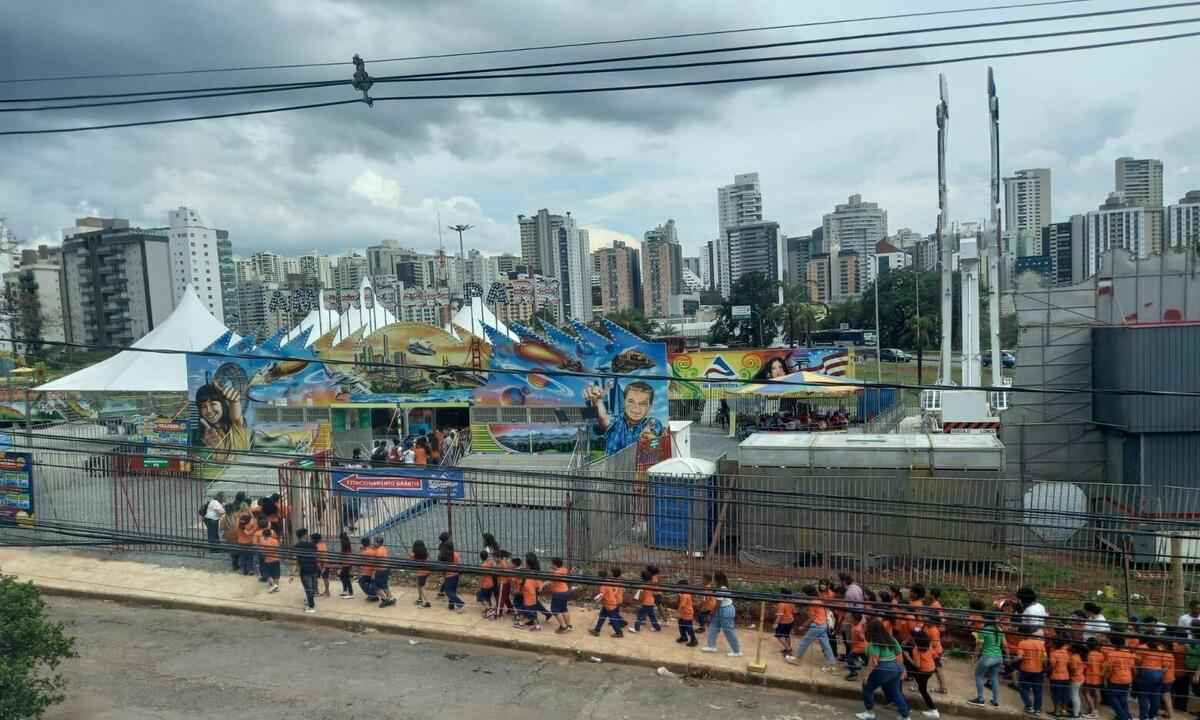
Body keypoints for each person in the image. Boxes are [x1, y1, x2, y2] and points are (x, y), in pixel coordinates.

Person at [584, 380, 662, 454]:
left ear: (649, 408)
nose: (636, 407)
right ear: (624, 402)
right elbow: (603, 418)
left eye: (642, 404)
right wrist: (597, 401)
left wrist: (652, 440)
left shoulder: (653, 422)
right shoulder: (615, 421)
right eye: (631, 401)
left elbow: (655, 441)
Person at [855, 619, 911, 720]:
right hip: (895, 668)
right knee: (895, 692)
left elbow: (873, 662)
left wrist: (866, 675)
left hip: (883, 669)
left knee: (867, 687)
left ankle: (869, 713)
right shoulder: (891, 638)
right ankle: (905, 716)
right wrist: (902, 669)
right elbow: (899, 654)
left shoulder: (874, 643)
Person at [195, 381, 251, 464]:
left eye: (213, 404)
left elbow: (236, 418)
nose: (209, 411)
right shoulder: (204, 434)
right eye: (203, 406)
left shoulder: (235, 428)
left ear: (222, 404)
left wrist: (234, 401)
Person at [967, 599, 1005, 709]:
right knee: (994, 678)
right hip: (998, 657)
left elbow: (979, 646)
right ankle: (995, 701)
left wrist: (974, 657)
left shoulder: (984, 631)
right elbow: (1003, 644)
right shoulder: (999, 629)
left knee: (979, 676)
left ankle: (980, 699)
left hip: (987, 657)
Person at [790, 584, 837, 670]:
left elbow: (812, 617)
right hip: (824, 625)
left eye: (804, 593)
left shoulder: (813, 602)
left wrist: (803, 626)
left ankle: (797, 659)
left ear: (807, 594)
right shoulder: (819, 600)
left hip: (817, 625)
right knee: (826, 645)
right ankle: (832, 664)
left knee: (804, 642)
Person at [700, 571, 741, 657]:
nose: (712, 579)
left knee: (728, 631)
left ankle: (736, 651)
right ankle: (711, 646)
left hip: (725, 610)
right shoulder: (720, 587)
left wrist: (711, 613)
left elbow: (718, 604)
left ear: (717, 579)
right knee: (713, 627)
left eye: (714, 578)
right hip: (721, 609)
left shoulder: (721, 589)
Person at [904, 628, 940, 719]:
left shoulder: (916, 650)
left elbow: (917, 665)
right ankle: (916, 684)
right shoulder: (928, 646)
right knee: (921, 684)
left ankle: (934, 710)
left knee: (923, 691)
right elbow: (935, 655)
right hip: (931, 669)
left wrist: (907, 657)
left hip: (924, 671)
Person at [1104, 629, 1135, 720]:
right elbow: (1132, 667)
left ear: (1113, 643)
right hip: (1127, 678)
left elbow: (1109, 669)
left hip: (1116, 679)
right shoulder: (1128, 653)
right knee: (1123, 698)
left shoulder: (1112, 654)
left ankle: (1123, 716)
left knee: (1113, 698)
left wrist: (1106, 678)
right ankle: (1127, 715)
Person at [1017, 624, 1048, 714]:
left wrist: (1010, 661)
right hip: (1039, 670)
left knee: (1023, 688)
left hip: (1025, 669)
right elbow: (1045, 658)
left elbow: (1019, 657)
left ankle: (1029, 706)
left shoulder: (1022, 643)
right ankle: (1037, 709)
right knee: (1037, 690)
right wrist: (1045, 668)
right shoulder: (1042, 643)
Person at [1134, 638, 1168, 720]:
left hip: (1147, 672)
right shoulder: (1161, 649)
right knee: (1155, 696)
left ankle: (1144, 717)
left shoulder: (1142, 647)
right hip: (1159, 673)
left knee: (1143, 696)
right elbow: (1165, 665)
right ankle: (1152, 716)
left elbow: (1137, 661)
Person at [589, 567, 625, 638]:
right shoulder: (609, 581)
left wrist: (594, 601)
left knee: (612, 619)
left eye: (598, 576)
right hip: (609, 602)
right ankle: (597, 630)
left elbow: (601, 595)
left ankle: (619, 632)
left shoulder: (604, 585)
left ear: (600, 577)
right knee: (602, 616)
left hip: (609, 604)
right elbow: (614, 591)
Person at [291, 528, 320, 614]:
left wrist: (292, 574)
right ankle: (309, 602)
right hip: (314, 569)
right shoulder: (313, 545)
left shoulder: (296, 546)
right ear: (304, 535)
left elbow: (295, 561)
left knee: (308, 588)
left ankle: (311, 607)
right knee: (311, 588)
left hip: (304, 570)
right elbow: (316, 557)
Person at [518, 553, 549, 631]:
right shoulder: (533, 570)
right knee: (532, 609)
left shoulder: (532, 573)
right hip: (529, 594)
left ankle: (524, 623)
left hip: (530, 594)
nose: (524, 562)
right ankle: (536, 624)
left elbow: (540, 585)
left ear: (529, 563)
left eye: (526, 561)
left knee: (531, 610)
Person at [1048, 637, 1073, 719]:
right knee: (1065, 694)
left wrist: (1045, 670)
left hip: (1056, 676)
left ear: (1055, 644)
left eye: (1052, 643)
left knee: (1055, 694)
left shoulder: (1054, 653)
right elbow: (1070, 665)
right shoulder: (1067, 653)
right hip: (1066, 676)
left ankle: (1056, 711)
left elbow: (1052, 666)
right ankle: (1064, 711)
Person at [548, 557, 572, 633]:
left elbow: (551, 583)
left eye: (552, 563)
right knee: (563, 609)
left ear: (555, 565)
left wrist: (551, 573)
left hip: (558, 593)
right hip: (565, 591)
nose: (551, 565)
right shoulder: (564, 569)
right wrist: (554, 570)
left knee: (554, 610)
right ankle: (569, 626)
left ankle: (563, 627)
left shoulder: (556, 573)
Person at [1084, 637, 1105, 719]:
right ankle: (1095, 710)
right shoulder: (1101, 654)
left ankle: (1093, 711)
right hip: (1098, 676)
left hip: (1090, 676)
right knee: (1096, 693)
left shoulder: (1089, 655)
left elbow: (1088, 666)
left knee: (1086, 693)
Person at [371, 537, 395, 608]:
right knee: (384, 585)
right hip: (386, 569)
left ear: (378, 543)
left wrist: (373, 573)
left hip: (381, 570)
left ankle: (385, 599)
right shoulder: (383, 548)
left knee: (375, 586)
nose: (373, 543)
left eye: (375, 542)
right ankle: (390, 597)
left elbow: (376, 563)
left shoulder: (378, 552)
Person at [440, 541, 464, 611]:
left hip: (449, 576)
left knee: (448, 591)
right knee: (453, 591)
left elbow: (443, 567)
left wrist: (443, 575)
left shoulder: (445, 555)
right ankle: (451, 605)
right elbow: (459, 564)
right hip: (456, 575)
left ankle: (460, 603)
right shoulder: (456, 554)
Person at [774, 588, 796, 659]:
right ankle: (788, 648)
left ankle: (788, 649)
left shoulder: (781, 603)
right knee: (787, 635)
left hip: (783, 622)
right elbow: (794, 612)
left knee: (778, 635)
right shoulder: (791, 602)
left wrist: (775, 623)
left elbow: (779, 616)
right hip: (790, 621)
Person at [675, 579, 698, 647]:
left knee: (688, 627)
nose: (678, 589)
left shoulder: (685, 595)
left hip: (687, 613)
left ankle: (694, 640)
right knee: (681, 625)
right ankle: (684, 637)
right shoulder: (684, 594)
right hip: (684, 613)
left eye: (679, 587)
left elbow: (682, 605)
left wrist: (677, 613)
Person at [846, 613, 868, 681]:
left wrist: (860, 637)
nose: (850, 619)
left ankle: (853, 672)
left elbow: (862, 638)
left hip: (860, 648)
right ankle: (857, 667)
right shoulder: (856, 625)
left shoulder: (857, 629)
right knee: (865, 660)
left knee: (849, 658)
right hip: (861, 647)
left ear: (856, 620)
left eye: (851, 618)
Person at [259, 528, 281, 593]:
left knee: (267, 574)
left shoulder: (262, 542)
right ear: (270, 534)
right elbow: (277, 549)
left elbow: (262, 551)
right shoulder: (275, 541)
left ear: (263, 535)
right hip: (276, 559)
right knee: (276, 574)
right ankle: (276, 586)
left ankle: (274, 585)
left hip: (267, 560)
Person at [411, 540, 431, 608]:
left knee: (421, 587)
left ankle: (427, 601)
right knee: (418, 584)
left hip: (421, 573)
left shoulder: (414, 554)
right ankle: (420, 599)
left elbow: (412, 562)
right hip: (427, 571)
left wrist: (411, 557)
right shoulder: (426, 553)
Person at [335, 532, 355, 599]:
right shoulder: (346, 542)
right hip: (346, 562)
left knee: (346, 577)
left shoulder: (344, 543)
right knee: (343, 576)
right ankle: (345, 590)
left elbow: (344, 553)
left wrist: (340, 560)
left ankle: (350, 592)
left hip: (346, 563)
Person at [357, 537, 377, 601]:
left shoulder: (364, 552)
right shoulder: (372, 550)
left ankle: (371, 595)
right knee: (370, 583)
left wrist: (362, 551)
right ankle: (373, 594)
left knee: (361, 582)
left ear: (362, 544)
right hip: (373, 571)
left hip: (367, 572)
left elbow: (360, 560)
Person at [312, 533, 330, 597]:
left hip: (320, 564)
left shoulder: (316, 546)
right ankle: (327, 591)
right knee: (325, 578)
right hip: (325, 563)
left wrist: (321, 566)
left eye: (313, 539)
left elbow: (319, 557)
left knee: (315, 577)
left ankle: (316, 591)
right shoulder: (323, 544)